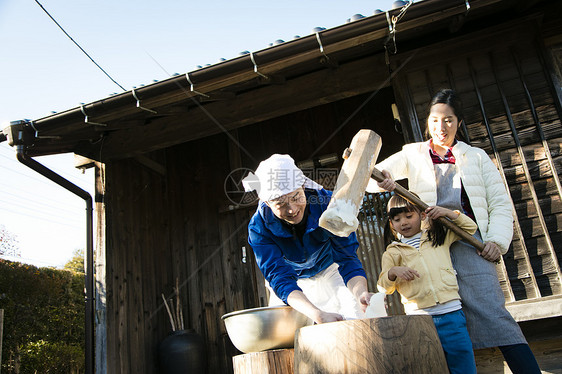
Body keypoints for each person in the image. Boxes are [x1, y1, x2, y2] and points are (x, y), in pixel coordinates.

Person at [369, 88, 541, 373]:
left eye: (448, 120)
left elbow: (499, 202)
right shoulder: (413, 153)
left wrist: (496, 241)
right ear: (428, 122)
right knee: (440, 323)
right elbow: (373, 176)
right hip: (431, 244)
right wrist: (383, 181)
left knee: (494, 313)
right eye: (435, 120)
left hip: (469, 241)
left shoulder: (476, 156)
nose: (441, 127)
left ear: (458, 123)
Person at [242, 154, 372, 324]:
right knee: (287, 332)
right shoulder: (259, 228)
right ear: (267, 203)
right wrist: (317, 314)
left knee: (355, 316)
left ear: (303, 186)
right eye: (280, 204)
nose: (292, 209)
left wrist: (361, 292)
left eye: (296, 197)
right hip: (292, 280)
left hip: (331, 268)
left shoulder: (329, 204)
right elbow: (279, 277)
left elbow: (347, 259)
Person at [377, 194, 478, 374]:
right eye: (397, 219)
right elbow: (383, 287)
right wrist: (393, 272)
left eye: (409, 216)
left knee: (463, 364)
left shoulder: (438, 236)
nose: (404, 223)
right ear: (391, 224)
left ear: (422, 215)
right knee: (429, 366)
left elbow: (470, 227)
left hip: (451, 313)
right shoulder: (393, 252)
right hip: (419, 319)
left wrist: (447, 213)